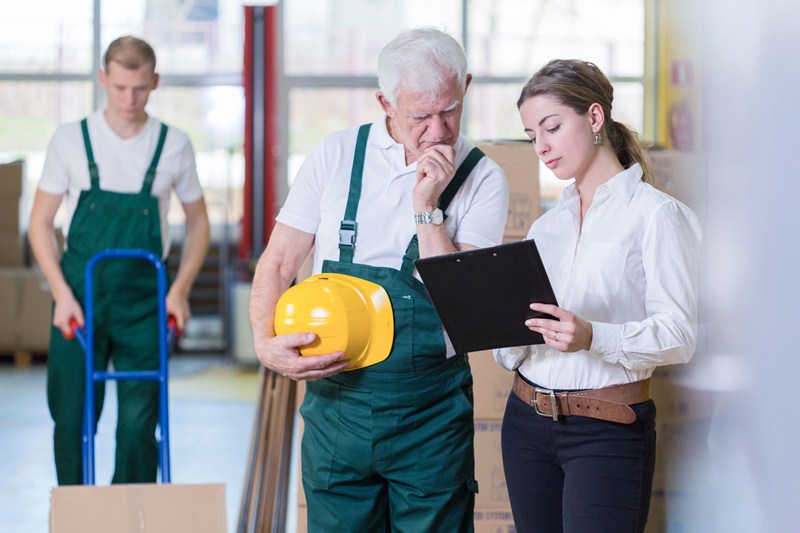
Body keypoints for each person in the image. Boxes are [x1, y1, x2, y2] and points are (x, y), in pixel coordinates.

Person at [249, 27, 509, 532]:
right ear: (385, 102)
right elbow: (279, 261)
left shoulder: (483, 177)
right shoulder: (336, 155)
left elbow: (464, 306)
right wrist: (264, 342)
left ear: (467, 87)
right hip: (336, 408)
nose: (438, 131)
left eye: (450, 110)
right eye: (420, 116)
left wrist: (427, 208)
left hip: (429, 417)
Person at [494, 59, 701, 533]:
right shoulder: (547, 227)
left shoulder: (658, 217)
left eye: (552, 127)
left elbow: (680, 335)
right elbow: (525, 338)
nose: (541, 147)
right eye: (532, 136)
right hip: (525, 421)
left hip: (607, 429)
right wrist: (501, 328)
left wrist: (592, 335)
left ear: (593, 118)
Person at [28, 35, 210, 485]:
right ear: (103, 79)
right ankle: (75, 516)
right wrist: (61, 295)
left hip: (144, 300)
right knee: (72, 421)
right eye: (120, 87)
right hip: (79, 298)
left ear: (155, 83)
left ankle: (129, 517)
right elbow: (39, 223)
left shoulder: (173, 144)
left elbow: (199, 222)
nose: (130, 99)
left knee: (136, 427)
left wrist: (180, 290)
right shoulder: (71, 139)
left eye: (141, 89)